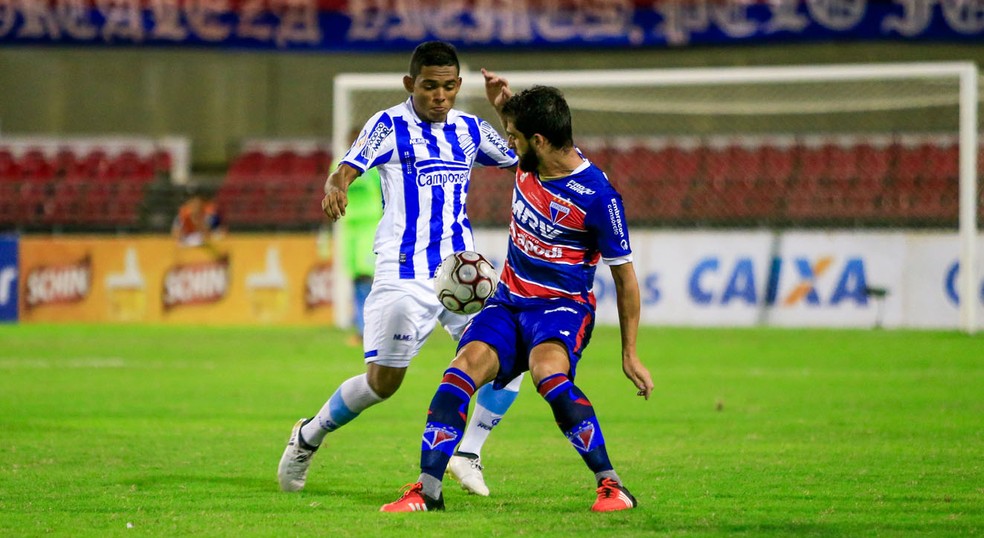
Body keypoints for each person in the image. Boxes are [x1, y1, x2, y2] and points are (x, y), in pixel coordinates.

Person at [379, 73, 654, 513]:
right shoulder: (532, 159)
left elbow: (626, 279)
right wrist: (501, 106)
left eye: (514, 138)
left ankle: (612, 486)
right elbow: (517, 127)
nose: (509, 146)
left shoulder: (599, 197)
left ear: (540, 141)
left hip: (562, 308)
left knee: (548, 374)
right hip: (507, 302)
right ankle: (427, 491)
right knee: (458, 372)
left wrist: (630, 353)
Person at [278, 41, 526, 497]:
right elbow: (349, 166)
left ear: (458, 87)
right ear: (411, 84)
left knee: (510, 358)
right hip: (403, 273)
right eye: (430, 86)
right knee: (383, 383)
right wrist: (337, 184)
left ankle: (467, 453)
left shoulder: (471, 129)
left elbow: (526, 158)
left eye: (449, 87)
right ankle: (308, 435)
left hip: (462, 274)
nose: (440, 96)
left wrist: (510, 113)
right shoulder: (388, 124)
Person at [334, 132, 383, 347]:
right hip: (349, 228)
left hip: (370, 228)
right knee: (357, 281)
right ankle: (363, 328)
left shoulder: (374, 166)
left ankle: (369, 331)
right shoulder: (339, 165)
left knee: (367, 282)